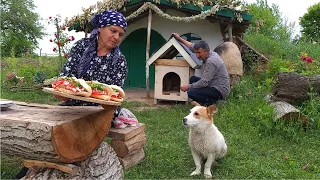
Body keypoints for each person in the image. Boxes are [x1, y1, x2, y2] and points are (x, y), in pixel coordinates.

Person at [14, 10, 128, 179]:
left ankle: (60, 164)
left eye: (120, 34)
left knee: (75, 132)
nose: (117, 37)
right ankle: (34, 167)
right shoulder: (82, 47)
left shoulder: (119, 61)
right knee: (49, 130)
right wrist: (63, 92)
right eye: (113, 31)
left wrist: (101, 101)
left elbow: (114, 98)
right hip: (72, 105)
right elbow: (65, 77)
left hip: (101, 111)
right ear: (101, 28)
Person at [172, 33, 230, 106]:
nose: (197, 55)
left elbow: (204, 82)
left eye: (199, 53)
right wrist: (179, 38)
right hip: (212, 84)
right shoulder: (207, 52)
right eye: (196, 53)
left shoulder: (211, 61)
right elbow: (191, 46)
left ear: (206, 50)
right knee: (193, 79)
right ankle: (204, 101)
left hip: (219, 90)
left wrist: (188, 86)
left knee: (191, 92)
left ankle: (213, 103)